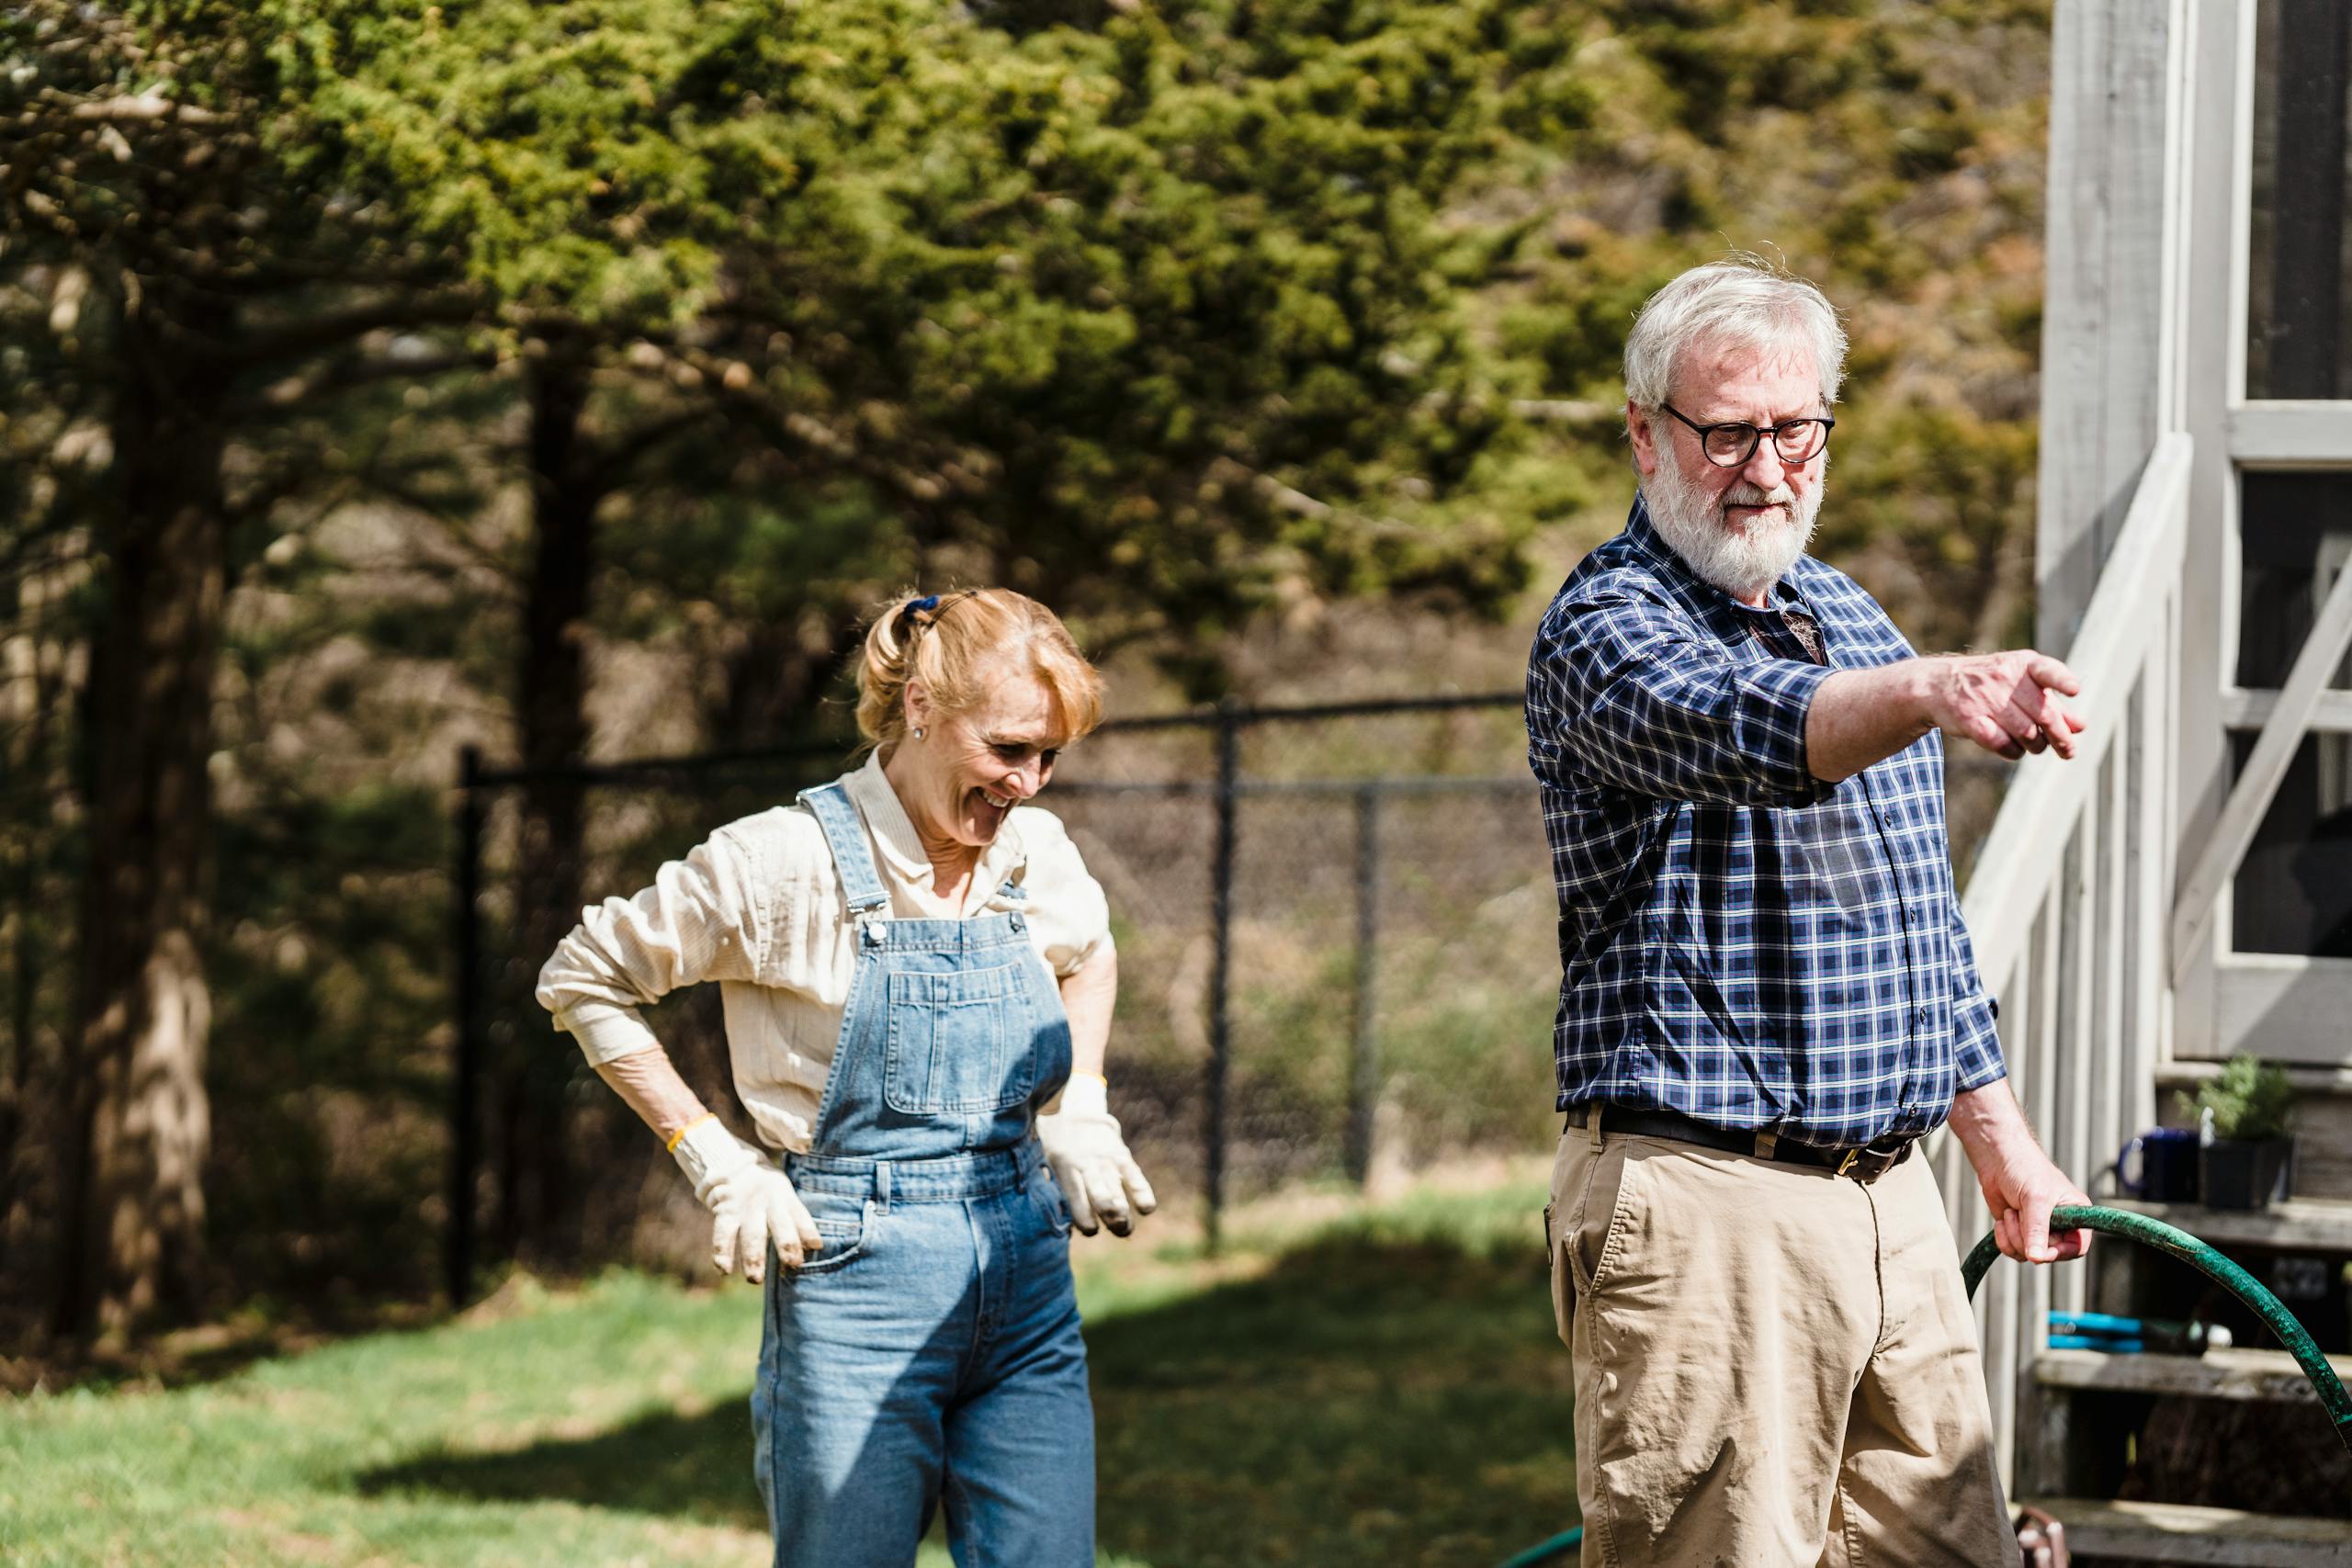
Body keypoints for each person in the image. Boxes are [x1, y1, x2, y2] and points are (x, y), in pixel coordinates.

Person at [1523, 257, 2091, 1567]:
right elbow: (1745, 728)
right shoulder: (1605, 623)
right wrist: (1930, 689)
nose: (1764, 466)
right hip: (1707, 1205)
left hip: (1893, 1200)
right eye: (1724, 431)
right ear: (1646, 431)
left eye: (1796, 428)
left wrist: (2002, 1148)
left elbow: (1920, 925)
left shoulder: (1851, 614)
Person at [536, 588, 1157, 1568]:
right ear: (920, 709)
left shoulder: (1032, 851)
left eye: (1049, 757)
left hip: (1025, 1271)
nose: (1030, 783)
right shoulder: (780, 862)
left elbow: (1090, 951)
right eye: (1006, 750)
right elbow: (583, 978)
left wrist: (1081, 1102)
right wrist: (714, 1160)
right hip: (854, 1281)